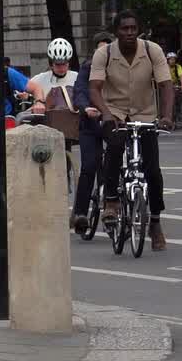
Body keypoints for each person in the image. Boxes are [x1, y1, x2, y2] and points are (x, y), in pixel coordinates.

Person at [88, 10, 176, 249]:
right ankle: (112, 201)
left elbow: (166, 86)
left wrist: (167, 116)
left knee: (153, 170)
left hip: (145, 114)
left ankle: (155, 221)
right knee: (115, 146)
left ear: (139, 30)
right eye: (124, 29)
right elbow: (95, 88)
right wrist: (106, 113)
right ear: (116, 32)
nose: (129, 33)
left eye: (133, 29)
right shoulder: (103, 54)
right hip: (114, 112)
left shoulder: (152, 51)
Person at [69, 31, 113, 233]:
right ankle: (80, 214)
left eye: (107, 48)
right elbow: (79, 92)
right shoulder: (87, 68)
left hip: (113, 123)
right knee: (89, 166)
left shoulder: (117, 69)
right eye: (100, 48)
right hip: (91, 124)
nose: (103, 53)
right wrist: (86, 108)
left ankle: (114, 206)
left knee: (117, 164)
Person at [28, 37, 82, 113]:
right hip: (47, 121)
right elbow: (25, 89)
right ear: (51, 64)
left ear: (69, 62)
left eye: (64, 64)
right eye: (58, 65)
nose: (62, 68)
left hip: (73, 120)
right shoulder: (39, 79)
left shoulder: (78, 77)